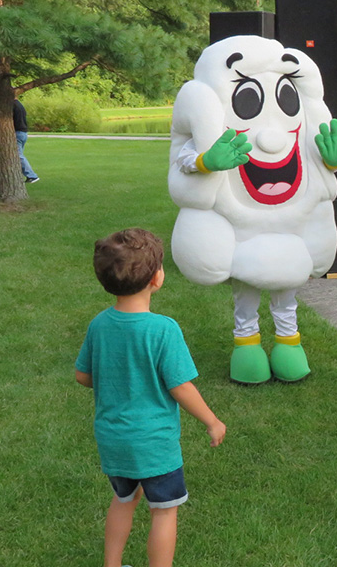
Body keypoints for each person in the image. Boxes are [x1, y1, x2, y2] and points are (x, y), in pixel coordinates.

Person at [75, 228, 226, 567]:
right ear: (157, 278)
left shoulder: (99, 324)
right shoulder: (163, 329)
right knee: (164, 511)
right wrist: (212, 421)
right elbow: (181, 386)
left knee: (123, 498)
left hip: (113, 438)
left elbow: (83, 375)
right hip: (154, 442)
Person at [13, 98, 39, 183]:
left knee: (18, 155)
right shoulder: (19, 105)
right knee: (18, 155)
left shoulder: (12, 105)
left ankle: (32, 175)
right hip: (23, 132)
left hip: (18, 132)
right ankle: (18, 175)